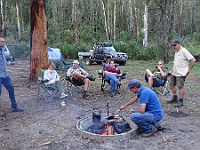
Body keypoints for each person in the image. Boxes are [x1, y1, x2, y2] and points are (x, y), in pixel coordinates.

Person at [167, 39, 196, 107]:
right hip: (174, 72)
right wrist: (171, 71)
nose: (174, 46)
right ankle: (174, 97)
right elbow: (175, 63)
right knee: (171, 84)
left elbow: (193, 60)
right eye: (173, 45)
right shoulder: (176, 52)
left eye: (175, 45)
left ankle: (181, 100)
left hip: (181, 73)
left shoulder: (183, 51)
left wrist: (188, 70)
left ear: (179, 44)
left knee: (180, 86)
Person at [0, 37, 24, 116]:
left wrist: (10, 62)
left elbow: (4, 60)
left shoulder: (3, 49)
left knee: (11, 89)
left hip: (5, 75)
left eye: (4, 41)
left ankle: (14, 107)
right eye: (2, 42)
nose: (4, 43)